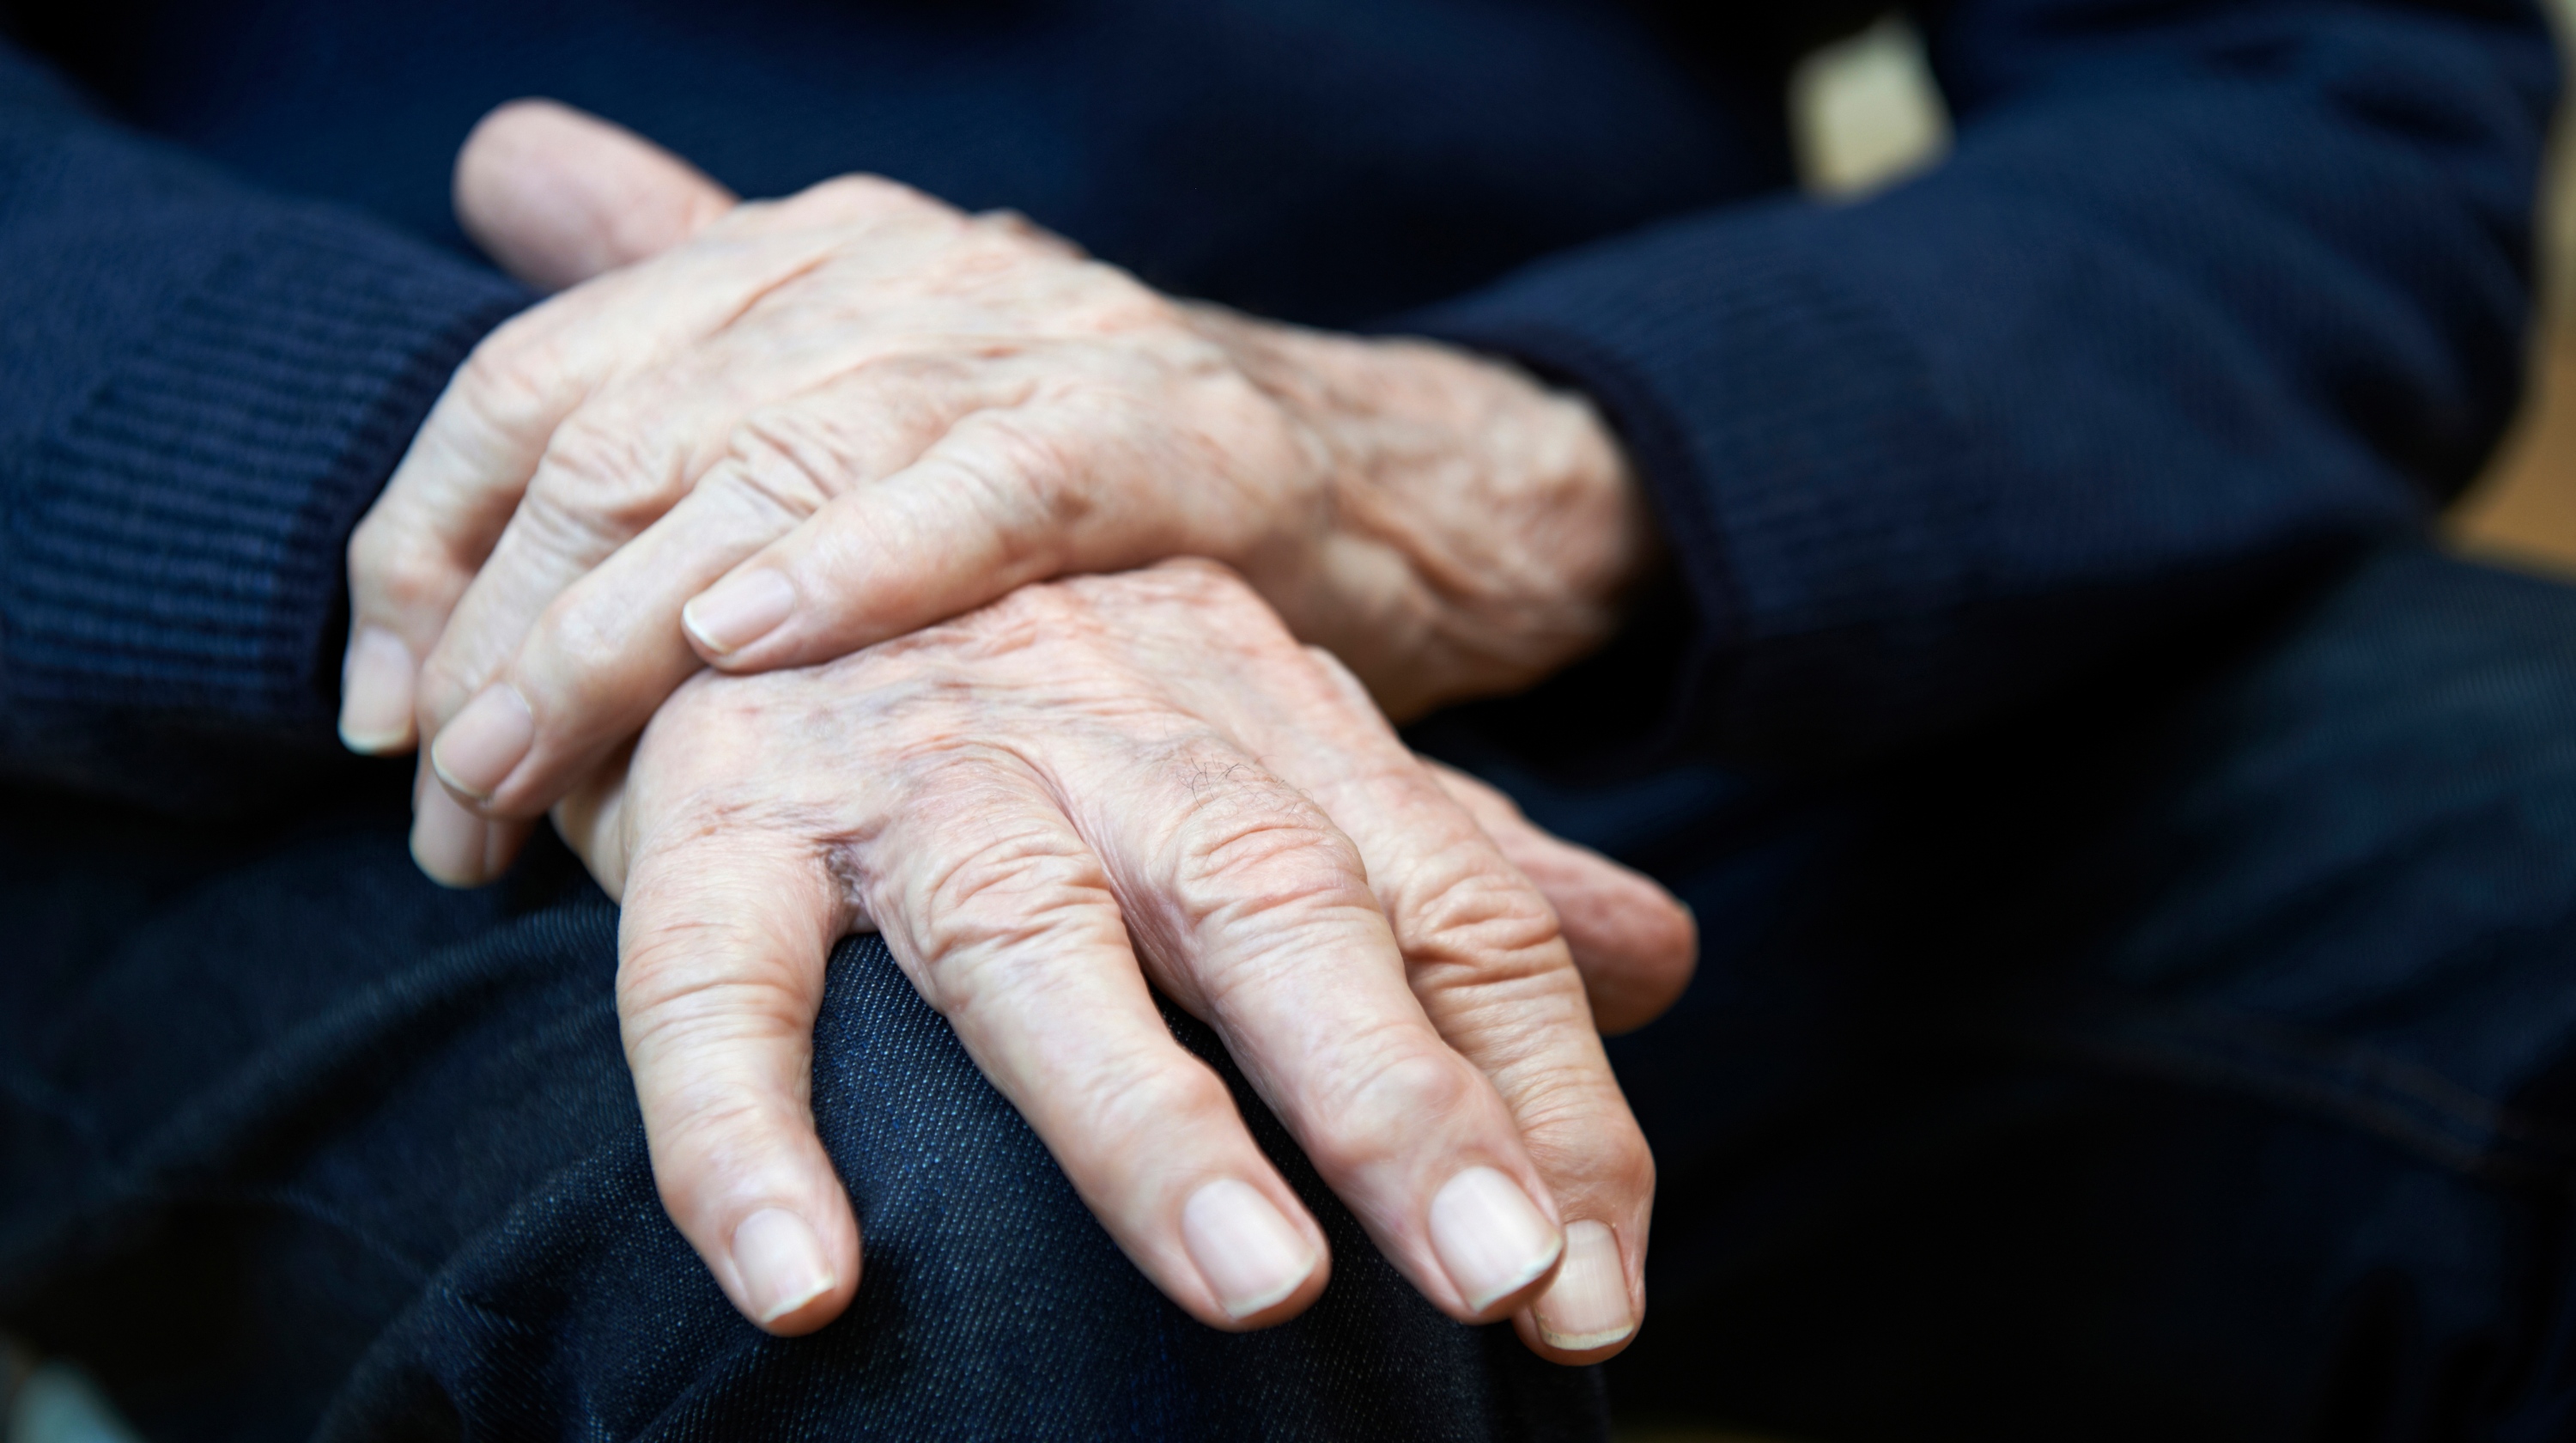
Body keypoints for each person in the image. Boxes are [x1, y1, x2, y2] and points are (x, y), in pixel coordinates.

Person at [2, 1, 2569, 1439]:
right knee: (988, 1227)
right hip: (310, 681)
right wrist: (614, 505)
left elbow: (2314, 97)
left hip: (1608, 590)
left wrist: (1460, 473)